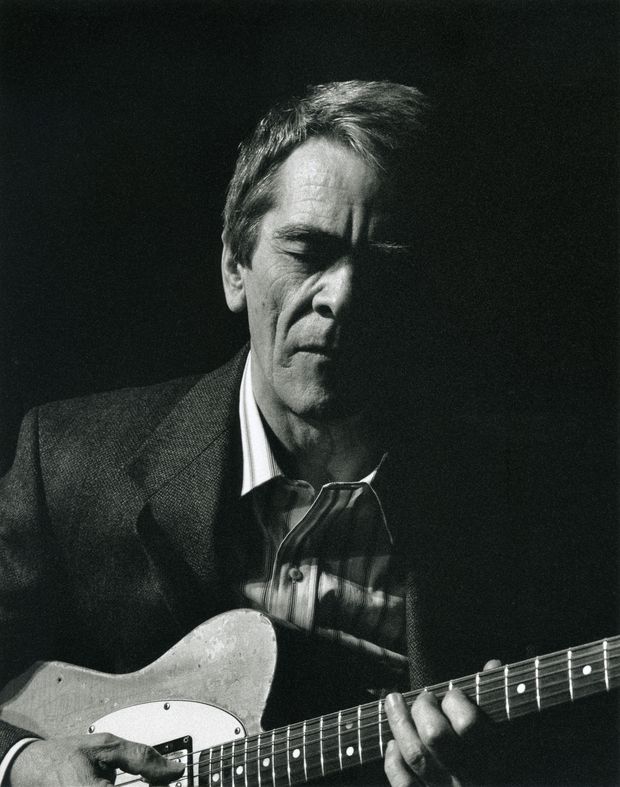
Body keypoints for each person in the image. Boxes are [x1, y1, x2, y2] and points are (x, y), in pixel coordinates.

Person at [0, 80, 615, 786]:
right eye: (307, 251)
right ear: (235, 267)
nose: (342, 297)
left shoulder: (530, 514)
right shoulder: (71, 462)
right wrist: (23, 762)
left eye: (385, 266)